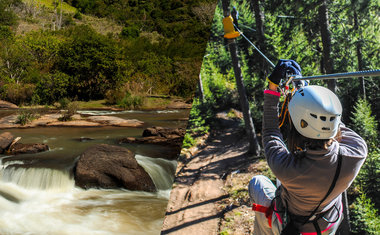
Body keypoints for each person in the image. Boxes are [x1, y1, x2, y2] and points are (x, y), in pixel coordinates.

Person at [248, 59, 367, 235]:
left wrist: (273, 89)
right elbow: (333, 123)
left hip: (291, 225)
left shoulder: (286, 167)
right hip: (326, 226)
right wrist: (306, 94)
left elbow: (271, 132)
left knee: (256, 182)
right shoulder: (357, 152)